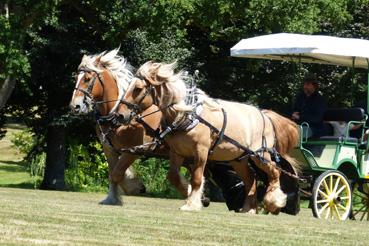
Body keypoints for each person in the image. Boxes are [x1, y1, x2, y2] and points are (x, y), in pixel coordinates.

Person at [291, 73, 327, 138]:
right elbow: (293, 110)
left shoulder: (319, 100)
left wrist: (300, 117)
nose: (305, 87)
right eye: (304, 84)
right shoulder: (300, 97)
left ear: (314, 86)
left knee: (296, 133)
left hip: (314, 129)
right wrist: (292, 114)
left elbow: (317, 119)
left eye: (307, 84)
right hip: (299, 126)